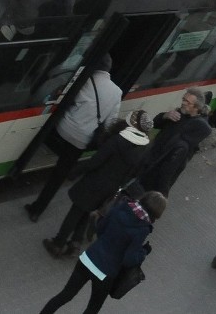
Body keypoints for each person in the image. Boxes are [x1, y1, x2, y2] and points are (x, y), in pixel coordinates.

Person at [25, 53, 123, 222]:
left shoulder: (85, 80)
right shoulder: (117, 91)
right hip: (82, 139)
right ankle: (37, 210)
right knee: (59, 174)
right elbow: (110, 122)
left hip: (62, 128)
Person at [42, 110, 153, 259]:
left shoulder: (117, 140)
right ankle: (75, 244)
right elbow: (134, 173)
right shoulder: (143, 147)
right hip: (110, 188)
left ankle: (58, 243)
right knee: (86, 212)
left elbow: (95, 162)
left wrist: (74, 172)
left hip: (93, 183)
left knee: (75, 213)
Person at [38, 191, 167, 314]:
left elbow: (100, 230)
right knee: (92, 309)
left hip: (88, 259)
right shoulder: (142, 228)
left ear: (144, 198)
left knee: (65, 295)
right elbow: (129, 259)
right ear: (156, 213)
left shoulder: (122, 206)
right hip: (105, 273)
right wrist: (143, 252)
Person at [136, 87, 212, 196]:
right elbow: (155, 124)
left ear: (196, 107)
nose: (183, 103)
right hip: (149, 158)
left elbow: (172, 168)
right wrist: (165, 116)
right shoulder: (179, 113)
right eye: (183, 99)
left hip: (156, 169)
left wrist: (161, 195)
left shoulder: (197, 127)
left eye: (187, 102)